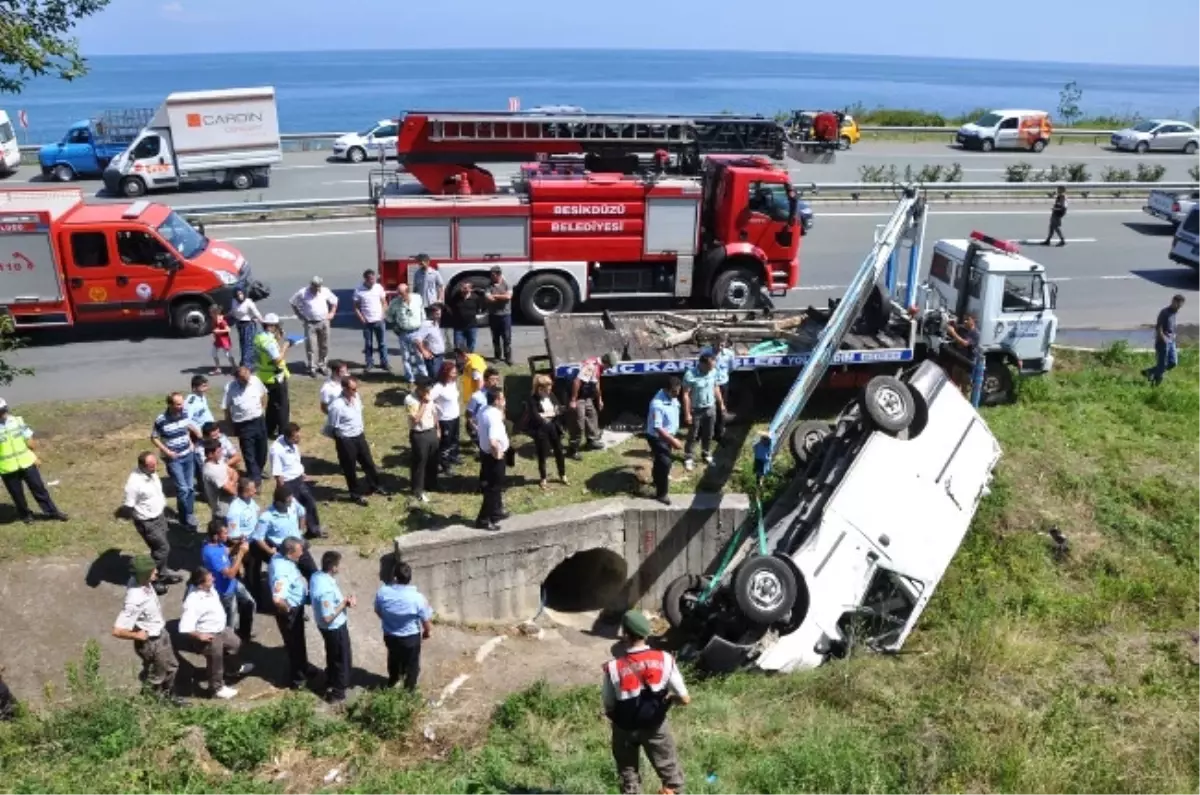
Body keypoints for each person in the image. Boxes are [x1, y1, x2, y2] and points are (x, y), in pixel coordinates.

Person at [602, 609, 690, 795]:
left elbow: (609, 704)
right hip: (655, 726)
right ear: (646, 633)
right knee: (671, 776)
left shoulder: (613, 667)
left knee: (629, 776)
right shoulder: (665, 659)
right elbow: (685, 698)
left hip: (624, 728)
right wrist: (670, 699)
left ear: (625, 634)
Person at [111, 555, 181, 704]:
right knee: (157, 675)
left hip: (160, 633)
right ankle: (150, 702)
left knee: (171, 666)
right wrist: (137, 635)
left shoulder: (140, 582)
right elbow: (117, 630)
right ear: (143, 574)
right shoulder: (134, 600)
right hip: (152, 641)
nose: (156, 571)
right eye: (152, 570)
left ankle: (169, 696)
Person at [179, 566, 254, 699]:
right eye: (209, 579)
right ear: (201, 585)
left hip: (221, 629)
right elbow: (185, 626)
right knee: (215, 661)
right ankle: (216, 689)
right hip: (209, 635)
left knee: (235, 644)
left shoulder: (210, 588)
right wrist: (199, 636)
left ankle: (231, 669)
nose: (213, 579)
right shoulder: (193, 601)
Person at [121, 452, 182, 591]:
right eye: (151, 466)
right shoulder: (134, 484)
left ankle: (163, 573)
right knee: (162, 549)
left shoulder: (151, 473)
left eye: (155, 464)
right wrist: (125, 515)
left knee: (159, 549)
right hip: (147, 521)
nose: (154, 468)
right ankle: (148, 578)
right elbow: (128, 505)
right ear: (142, 466)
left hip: (159, 516)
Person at [0, 398, 68, 523]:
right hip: (7, 468)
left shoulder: (17, 421)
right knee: (17, 495)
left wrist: (34, 456)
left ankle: (52, 512)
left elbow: (29, 441)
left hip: (27, 463)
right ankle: (26, 515)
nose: (3, 413)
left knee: (39, 489)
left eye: (3, 410)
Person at [327, 377, 387, 505]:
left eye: (356, 388)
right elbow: (332, 427)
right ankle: (355, 494)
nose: (355, 391)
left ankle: (375, 485)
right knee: (350, 468)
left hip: (359, 435)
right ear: (344, 388)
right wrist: (342, 441)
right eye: (353, 389)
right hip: (346, 439)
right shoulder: (336, 406)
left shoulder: (356, 397)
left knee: (368, 463)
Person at [375, 559, 432, 691]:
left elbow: (378, 611)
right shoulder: (417, 598)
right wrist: (427, 632)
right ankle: (409, 690)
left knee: (393, 659)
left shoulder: (383, 592)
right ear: (409, 578)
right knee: (412, 664)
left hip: (390, 635)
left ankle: (393, 681)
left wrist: (389, 620)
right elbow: (426, 619)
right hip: (410, 638)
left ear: (395, 577)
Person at [269, 537, 317, 690]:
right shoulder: (282, 571)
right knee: (294, 645)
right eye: (299, 551)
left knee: (299, 641)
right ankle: (298, 679)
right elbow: (277, 599)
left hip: (296, 608)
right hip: (290, 613)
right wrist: (288, 609)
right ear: (290, 551)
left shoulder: (281, 558)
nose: (302, 554)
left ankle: (304, 667)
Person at [151, 392, 202, 529]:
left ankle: (189, 514)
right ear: (170, 404)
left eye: (182, 403)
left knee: (190, 487)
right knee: (183, 489)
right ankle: (184, 518)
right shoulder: (161, 420)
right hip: (175, 459)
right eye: (178, 404)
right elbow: (154, 437)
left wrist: (191, 441)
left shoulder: (184, 413)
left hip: (188, 455)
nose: (182, 406)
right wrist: (167, 452)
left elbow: (185, 427)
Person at [311, 550, 356, 704]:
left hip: (325, 627)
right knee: (341, 658)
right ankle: (338, 691)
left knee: (333, 654)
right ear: (333, 568)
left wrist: (343, 601)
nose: (340, 568)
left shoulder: (317, 576)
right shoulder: (326, 590)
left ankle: (331, 677)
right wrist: (344, 603)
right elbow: (328, 617)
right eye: (338, 565)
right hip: (334, 628)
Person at [252, 484, 319, 581]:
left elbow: (302, 512)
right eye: (288, 501)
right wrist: (270, 551)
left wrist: (300, 530)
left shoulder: (293, 504)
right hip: (284, 552)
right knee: (287, 579)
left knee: (313, 574)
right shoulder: (266, 517)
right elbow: (258, 538)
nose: (291, 502)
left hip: (299, 546)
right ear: (279, 502)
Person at [269, 422, 324, 538]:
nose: (299, 439)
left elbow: (295, 461)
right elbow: (278, 475)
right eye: (296, 437)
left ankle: (313, 530)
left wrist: (302, 473)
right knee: (292, 510)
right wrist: (283, 492)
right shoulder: (277, 450)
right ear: (288, 437)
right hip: (288, 484)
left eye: (299, 435)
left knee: (310, 503)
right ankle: (293, 535)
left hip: (299, 480)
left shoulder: (293, 444)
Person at [222, 366, 270, 485]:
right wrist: (229, 424)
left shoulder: (255, 381)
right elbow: (227, 407)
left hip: (258, 421)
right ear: (237, 378)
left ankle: (258, 470)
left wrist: (262, 410)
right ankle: (255, 480)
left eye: (247, 376)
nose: (246, 380)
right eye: (243, 378)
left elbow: (264, 394)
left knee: (262, 450)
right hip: (243, 424)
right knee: (249, 453)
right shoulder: (230, 388)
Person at [522, 375, 568, 489]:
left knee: (559, 451)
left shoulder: (551, 395)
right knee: (542, 453)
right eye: (547, 389)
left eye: (550, 388)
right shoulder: (532, 399)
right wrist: (550, 413)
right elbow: (535, 416)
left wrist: (551, 413)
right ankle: (543, 477)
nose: (549, 391)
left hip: (553, 425)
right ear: (540, 388)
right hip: (541, 428)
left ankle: (562, 474)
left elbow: (559, 408)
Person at [681, 353, 724, 471]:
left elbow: (716, 387)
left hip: (710, 407)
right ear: (702, 364)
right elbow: (685, 395)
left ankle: (706, 453)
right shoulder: (690, 375)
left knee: (709, 433)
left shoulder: (713, 372)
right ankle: (688, 457)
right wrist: (687, 413)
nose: (711, 369)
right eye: (709, 367)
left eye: (713, 367)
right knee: (693, 435)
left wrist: (721, 403)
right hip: (696, 410)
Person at [476, 387, 511, 530]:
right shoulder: (494, 417)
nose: (504, 401)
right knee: (494, 488)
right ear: (497, 400)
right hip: (494, 456)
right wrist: (498, 454)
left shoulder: (484, 410)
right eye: (502, 398)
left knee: (495, 486)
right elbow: (493, 440)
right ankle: (484, 519)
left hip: (485, 453)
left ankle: (496, 511)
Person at [290, 276, 339, 377]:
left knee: (324, 345)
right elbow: (292, 302)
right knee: (311, 347)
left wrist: (332, 313)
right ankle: (312, 367)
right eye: (316, 287)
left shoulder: (325, 291)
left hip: (324, 321)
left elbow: (334, 301)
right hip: (310, 323)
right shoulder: (303, 293)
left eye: (319, 287)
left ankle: (323, 365)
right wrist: (299, 315)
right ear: (311, 285)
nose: (317, 289)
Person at [645, 377, 684, 505]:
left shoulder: (672, 396)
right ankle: (662, 494)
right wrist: (673, 441)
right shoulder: (657, 404)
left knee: (660, 461)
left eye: (678, 391)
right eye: (674, 391)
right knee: (666, 462)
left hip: (668, 435)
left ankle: (656, 479)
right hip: (657, 437)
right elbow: (658, 428)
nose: (677, 394)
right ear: (666, 390)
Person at [254, 313, 291, 438]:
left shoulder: (259, 337)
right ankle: (283, 431)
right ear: (271, 326)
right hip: (275, 376)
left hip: (264, 375)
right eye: (276, 326)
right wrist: (285, 346)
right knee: (282, 406)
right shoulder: (269, 341)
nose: (278, 328)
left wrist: (278, 339)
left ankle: (269, 428)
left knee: (272, 404)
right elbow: (277, 359)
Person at [226, 477, 262, 600]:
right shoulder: (235, 510)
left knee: (256, 569)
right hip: (246, 545)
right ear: (245, 492)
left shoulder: (250, 501)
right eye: (253, 490)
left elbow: (257, 512)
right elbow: (232, 537)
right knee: (252, 573)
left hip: (255, 540)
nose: (255, 491)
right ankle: (253, 597)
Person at [568, 353, 609, 459]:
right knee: (578, 423)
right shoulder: (591, 366)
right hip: (579, 398)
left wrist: (599, 399)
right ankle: (573, 449)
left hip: (588, 397)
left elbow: (596, 383)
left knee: (592, 417)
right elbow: (577, 382)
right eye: (609, 366)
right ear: (606, 363)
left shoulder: (598, 367)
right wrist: (573, 400)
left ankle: (591, 441)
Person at [405, 378, 440, 503]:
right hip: (419, 434)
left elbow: (434, 412)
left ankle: (431, 484)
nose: (428, 392)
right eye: (425, 390)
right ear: (418, 388)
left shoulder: (428, 395)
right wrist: (424, 404)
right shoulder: (410, 400)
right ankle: (417, 490)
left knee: (433, 460)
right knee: (420, 463)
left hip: (431, 431)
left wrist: (438, 429)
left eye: (428, 389)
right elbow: (415, 420)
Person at [385, 282, 425, 384]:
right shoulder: (395, 302)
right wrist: (395, 325)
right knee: (406, 357)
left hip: (417, 331)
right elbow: (389, 317)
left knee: (419, 355)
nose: (400, 296)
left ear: (408, 292)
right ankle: (410, 378)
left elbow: (422, 311)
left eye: (401, 293)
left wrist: (423, 325)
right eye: (398, 293)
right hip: (403, 333)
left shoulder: (417, 298)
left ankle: (423, 376)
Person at [1144, 294, 1185, 386]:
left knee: (1173, 362)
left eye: (1180, 305)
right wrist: (1163, 339)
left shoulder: (1174, 313)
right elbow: (1159, 327)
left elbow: (1171, 327)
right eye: (1177, 304)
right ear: (1173, 302)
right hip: (1163, 341)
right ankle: (1155, 384)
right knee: (1162, 365)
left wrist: (1174, 336)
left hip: (1171, 341)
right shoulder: (1165, 312)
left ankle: (1149, 372)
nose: (1179, 307)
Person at [354, 269, 390, 373]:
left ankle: (384, 362)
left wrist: (383, 315)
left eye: (374, 279)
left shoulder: (378, 288)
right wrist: (362, 318)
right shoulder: (359, 290)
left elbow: (384, 303)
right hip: (367, 322)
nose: (373, 281)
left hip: (379, 321)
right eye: (371, 280)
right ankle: (369, 363)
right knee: (368, 344)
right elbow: (356, 307)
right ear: (365, 279)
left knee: (382, 343)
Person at [431, 361, 462, 473]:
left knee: (455, 439)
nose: (455, 374)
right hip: (445, 419)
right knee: (445, 443)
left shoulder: (453, 383)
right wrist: (436, 407)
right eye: (453, 372)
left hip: (455, 416)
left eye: (455, 372)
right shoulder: (439, 387)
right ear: (446, 373)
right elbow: (429, 399)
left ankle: (453, 457)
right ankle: (444, 465)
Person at [201, 439, 238, 521]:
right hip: (223, 511)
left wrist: (231, 482)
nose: (221, 454)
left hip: (230, 506)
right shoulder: (211, 471)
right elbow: (232, 491)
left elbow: (234, 473)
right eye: (218, 452)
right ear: (210, 454)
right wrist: (233, 483)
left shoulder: (218, 461)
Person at [484, 266, 513, 364]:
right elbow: (488, 298)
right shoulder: (489, 285)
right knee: (495, 337)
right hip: (493, 315)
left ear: (498, 274)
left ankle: (508, 357)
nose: (491, 277)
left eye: (493, 275)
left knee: (507, 338)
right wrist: (501, 297)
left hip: (505, 315)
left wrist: (495, 296)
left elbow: (508, 297)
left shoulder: (507, 284)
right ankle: (497, 356)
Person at [229, 286, 264, 367]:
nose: (239, 296)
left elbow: (257, 313)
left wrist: (263, 323)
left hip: (248, 326)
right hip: (240, 325)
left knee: (248, 345)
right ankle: (245, 362)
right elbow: (232, 311)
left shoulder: (248, 302)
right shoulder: (234, 301)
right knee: (242, 345)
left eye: (241, 294)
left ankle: (248, 364)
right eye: (237, 294)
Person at [466, 366, 502, 444]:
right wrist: (476, 429)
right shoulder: (477, 396)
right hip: (479, 427)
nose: (495, 382)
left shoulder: (498, 394)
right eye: (492, 380)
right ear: (485, 380)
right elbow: (469, 416)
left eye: (497, 379)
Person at [446, 280, 484, 353]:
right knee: (458, 347)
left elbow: (479, 309)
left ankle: (469, 361)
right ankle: (460, 363)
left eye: (465, 288)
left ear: (470, 289)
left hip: (472, 326)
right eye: (462, 287)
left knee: (471, 346)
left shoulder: (475, 298)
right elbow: (449, 308)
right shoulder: (456, 297)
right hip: (458, 327)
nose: (462, 289)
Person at [711, 337, 736, 445]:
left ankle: (719, 433)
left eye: (722, 345)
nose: (719, 348)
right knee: (709, 408)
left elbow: (731, 368)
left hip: (723, 383)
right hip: (710, 384)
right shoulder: (707, 353)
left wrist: (723, 377)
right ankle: (707, 432)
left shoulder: (729, 354)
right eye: (717, 345)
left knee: (722, 408)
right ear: (713, 343)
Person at [413, 303, 447, 381]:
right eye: (437, 314)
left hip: (440, 356)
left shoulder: (435, 323)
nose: (440, 316)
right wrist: (424, 352)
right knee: (434, 377)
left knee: (440, 376)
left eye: (440, 313)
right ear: (431, 314)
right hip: (433, 357)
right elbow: (417, 340)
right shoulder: (426, 325)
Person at [456, 346, 488, 417]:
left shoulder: (473, 366)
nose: (457, 359)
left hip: (475, 397)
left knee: (474, 417)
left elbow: (479, 382)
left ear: (463, 355)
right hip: (479, 394)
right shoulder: (476, 357)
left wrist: (477, 397)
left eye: (458, 356)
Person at [209, 306, 236, 374]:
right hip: (217, 340)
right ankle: (218, 368)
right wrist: (214, 336)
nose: (210, 314)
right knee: (213, 353)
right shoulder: (213, 320)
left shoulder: (222, 321)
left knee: (228, 354)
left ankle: (234, 367)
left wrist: (219, 331)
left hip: (224, 341)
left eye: (211, 313)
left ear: (215, 313)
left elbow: (228, 330)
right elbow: (214, 330)